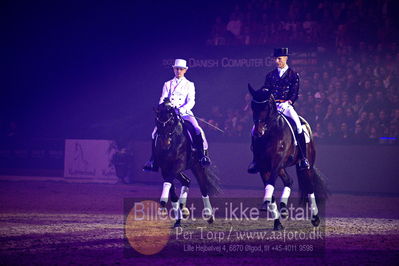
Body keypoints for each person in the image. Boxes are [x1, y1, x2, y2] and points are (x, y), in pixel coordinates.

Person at [248, 48, 310, 173]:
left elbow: (294, 93)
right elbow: (266, 89)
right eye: (275, 59)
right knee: (254, 129)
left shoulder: (293, 75)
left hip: (286, 105)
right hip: (272, 106)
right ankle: (255, 160)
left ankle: (303, 158)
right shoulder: (270, 75)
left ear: (286, 58)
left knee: (298, 126)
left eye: (279, 59)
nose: (277, 61)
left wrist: (289, 102)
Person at [143, 59, 211, 172]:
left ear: (185, 70)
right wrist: (164, 107)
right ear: (174, 69)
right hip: (169, 114)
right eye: (176, 69)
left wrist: (181, 109)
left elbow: (191, 101)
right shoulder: (167, 84)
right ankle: (153, 159)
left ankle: (202, 155)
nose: (178, 71)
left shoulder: (190, 84)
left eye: (181, 69)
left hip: (184, 113)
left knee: (197, 130)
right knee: (155, 132)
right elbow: (162, 99)